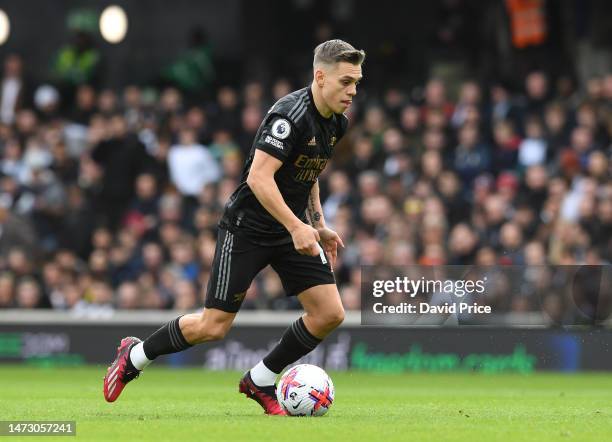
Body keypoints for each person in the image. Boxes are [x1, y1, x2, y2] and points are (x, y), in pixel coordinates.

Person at [103, 39, 365, 414]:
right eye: (346, 82)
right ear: (320, 76)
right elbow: (260, 178)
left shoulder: (336, 122)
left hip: (290, 228)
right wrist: (297, 226)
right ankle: (136, 355)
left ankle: (259, 380)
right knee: (213, 326)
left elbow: (310, 172)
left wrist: (318, 224)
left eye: (356, 82)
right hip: (248, 227)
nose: (353, 91)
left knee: (329, 313)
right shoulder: (288, 115)